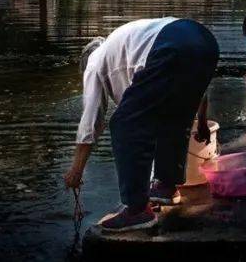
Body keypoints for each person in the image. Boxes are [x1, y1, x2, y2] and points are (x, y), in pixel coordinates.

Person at [64, 17, 219, 233]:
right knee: (172, 115)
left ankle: (137, 210)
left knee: (123, 123)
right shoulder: (123, 47)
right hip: (205, 41)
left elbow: (91, 121)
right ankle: (166, 186)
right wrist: (201, 122)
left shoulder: (95, 63)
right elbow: (194, 94)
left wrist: (76, 170)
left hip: (173, 43)